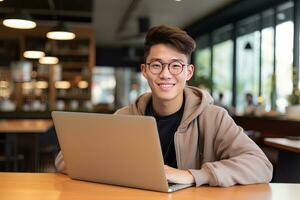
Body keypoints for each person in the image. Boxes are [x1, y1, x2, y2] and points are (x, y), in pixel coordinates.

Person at [55, 25, 272, 187]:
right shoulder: (125, 116)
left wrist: (192, 175)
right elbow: (64, 160)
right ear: (145, 70)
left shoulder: (213, 117)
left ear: (188, 72)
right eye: (157, 65)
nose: (165, 74)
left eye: (176, 65)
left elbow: (261, 166)